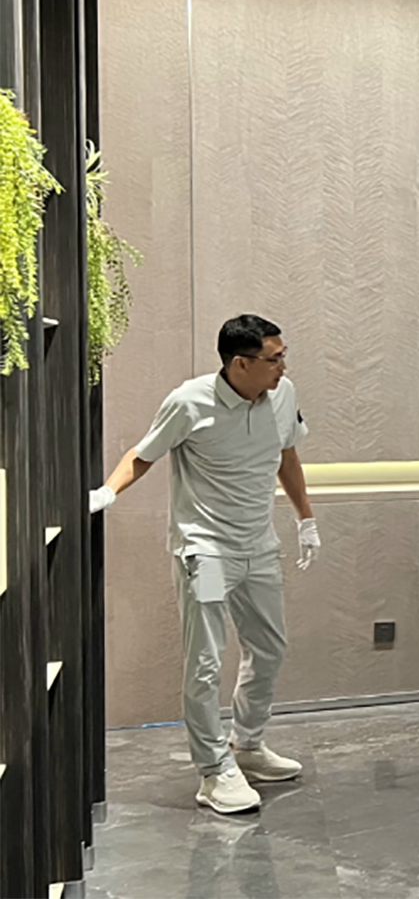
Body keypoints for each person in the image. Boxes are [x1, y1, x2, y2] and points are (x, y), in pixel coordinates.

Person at [87, 315, 319, 815]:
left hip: (259, 548)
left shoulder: (282, 394)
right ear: (240, 363)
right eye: (274, 358)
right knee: (206, 660)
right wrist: (107, 492)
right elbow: (144, 454)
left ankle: (248, 746)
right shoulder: (189, 401)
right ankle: (214, 771)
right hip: (207, 551)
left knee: (269, 648)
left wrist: (306, 519)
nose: (283, 366)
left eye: (284, 355)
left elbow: (287, 455)